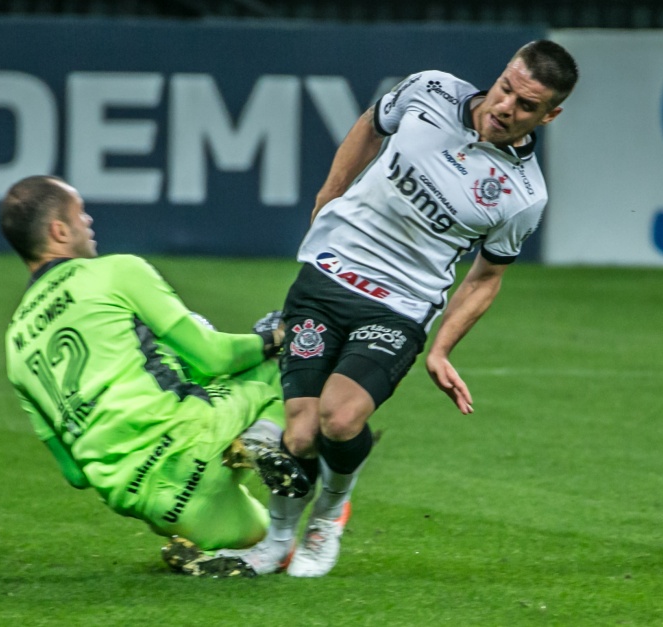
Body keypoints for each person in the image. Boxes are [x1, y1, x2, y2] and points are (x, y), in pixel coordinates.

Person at [180, 39, 579, 578]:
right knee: (297, 436)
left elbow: (487, 277)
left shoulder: (522, 194)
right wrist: (330, 193)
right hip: (326, 276)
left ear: (550, 115)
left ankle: (329, 509)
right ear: (504, 71)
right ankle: (276, 543)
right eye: (508, 87)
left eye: (527, 105)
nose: (507, 106)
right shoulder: (431, 90)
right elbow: (371, 123)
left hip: (399, 305)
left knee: (340, 420)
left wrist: (442, 348)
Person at [0, 175, 310, 566]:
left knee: (264, 546)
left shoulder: (15, 344)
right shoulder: (114, 273)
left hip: (152, 501)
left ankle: (205, 548)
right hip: (189, 442)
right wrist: (271, 339)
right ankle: (260, 439)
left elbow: (75, 475)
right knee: (299, 350)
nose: (89, 222)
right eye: (81, 214)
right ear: (59, 231)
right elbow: (214, 356)